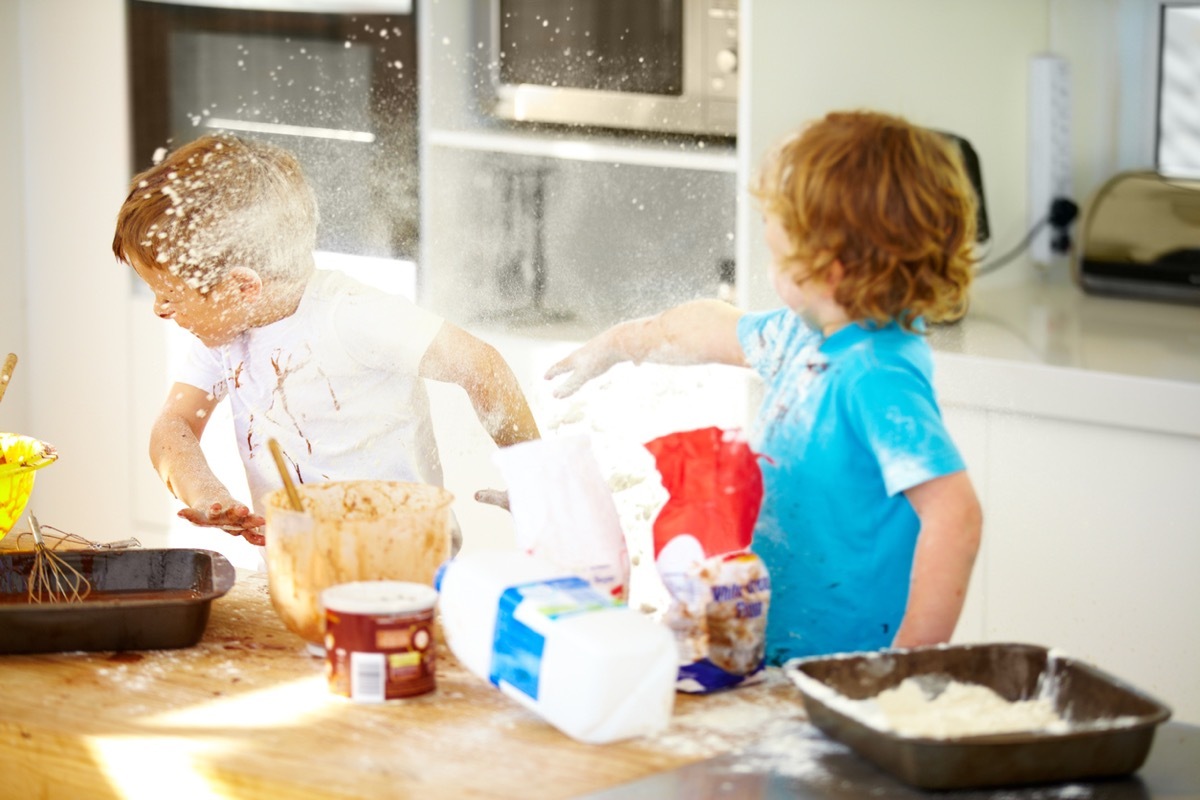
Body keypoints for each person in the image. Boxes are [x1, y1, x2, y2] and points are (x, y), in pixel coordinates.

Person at [546, 110, 983, 664]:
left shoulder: (877, 375)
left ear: (831, 267)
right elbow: (712, 329)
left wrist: (907, 660)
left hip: (847, 665)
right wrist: (621, 343)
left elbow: (956, 515)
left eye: (780, 255)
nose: (771, 266)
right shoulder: (806, 335)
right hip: (777, 642)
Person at [113, 133, 540, 547]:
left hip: (405, 558)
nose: (160, 309)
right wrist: (207, 494)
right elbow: (173, 426)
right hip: (301, 564)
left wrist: (534, 481)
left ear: (242, 287)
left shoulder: (352, 316)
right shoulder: (224, 334)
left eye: (168, 294)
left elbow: (480, 365)